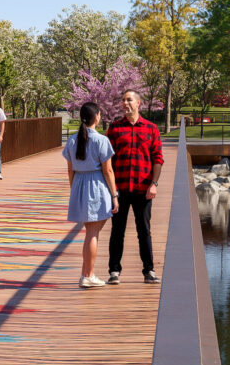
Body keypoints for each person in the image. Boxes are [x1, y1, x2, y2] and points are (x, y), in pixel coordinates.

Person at [104, 88, 164, 286]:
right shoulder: (114, 129)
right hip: (119, 189)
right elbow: (106, 160)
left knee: (144, 230)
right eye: (123, 100)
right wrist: (111, 190)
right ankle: (114, 271)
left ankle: (149, 271)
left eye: (129, 100)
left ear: (138, 103)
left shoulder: (151, 129)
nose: (125, 103)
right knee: (117, 231)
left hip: (143, 189)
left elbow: (158, 159)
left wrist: (154, 184)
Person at [62, 100, 116, 288]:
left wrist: (74, 189)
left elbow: (70, 169)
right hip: (96, 185)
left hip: (79, 183)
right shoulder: (101, 140)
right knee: (93, 233)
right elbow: (108, 170)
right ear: (97, 117)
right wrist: (114, 195)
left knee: (90, 231)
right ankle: (88, 275)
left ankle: (86, 274)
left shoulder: (72, 140)